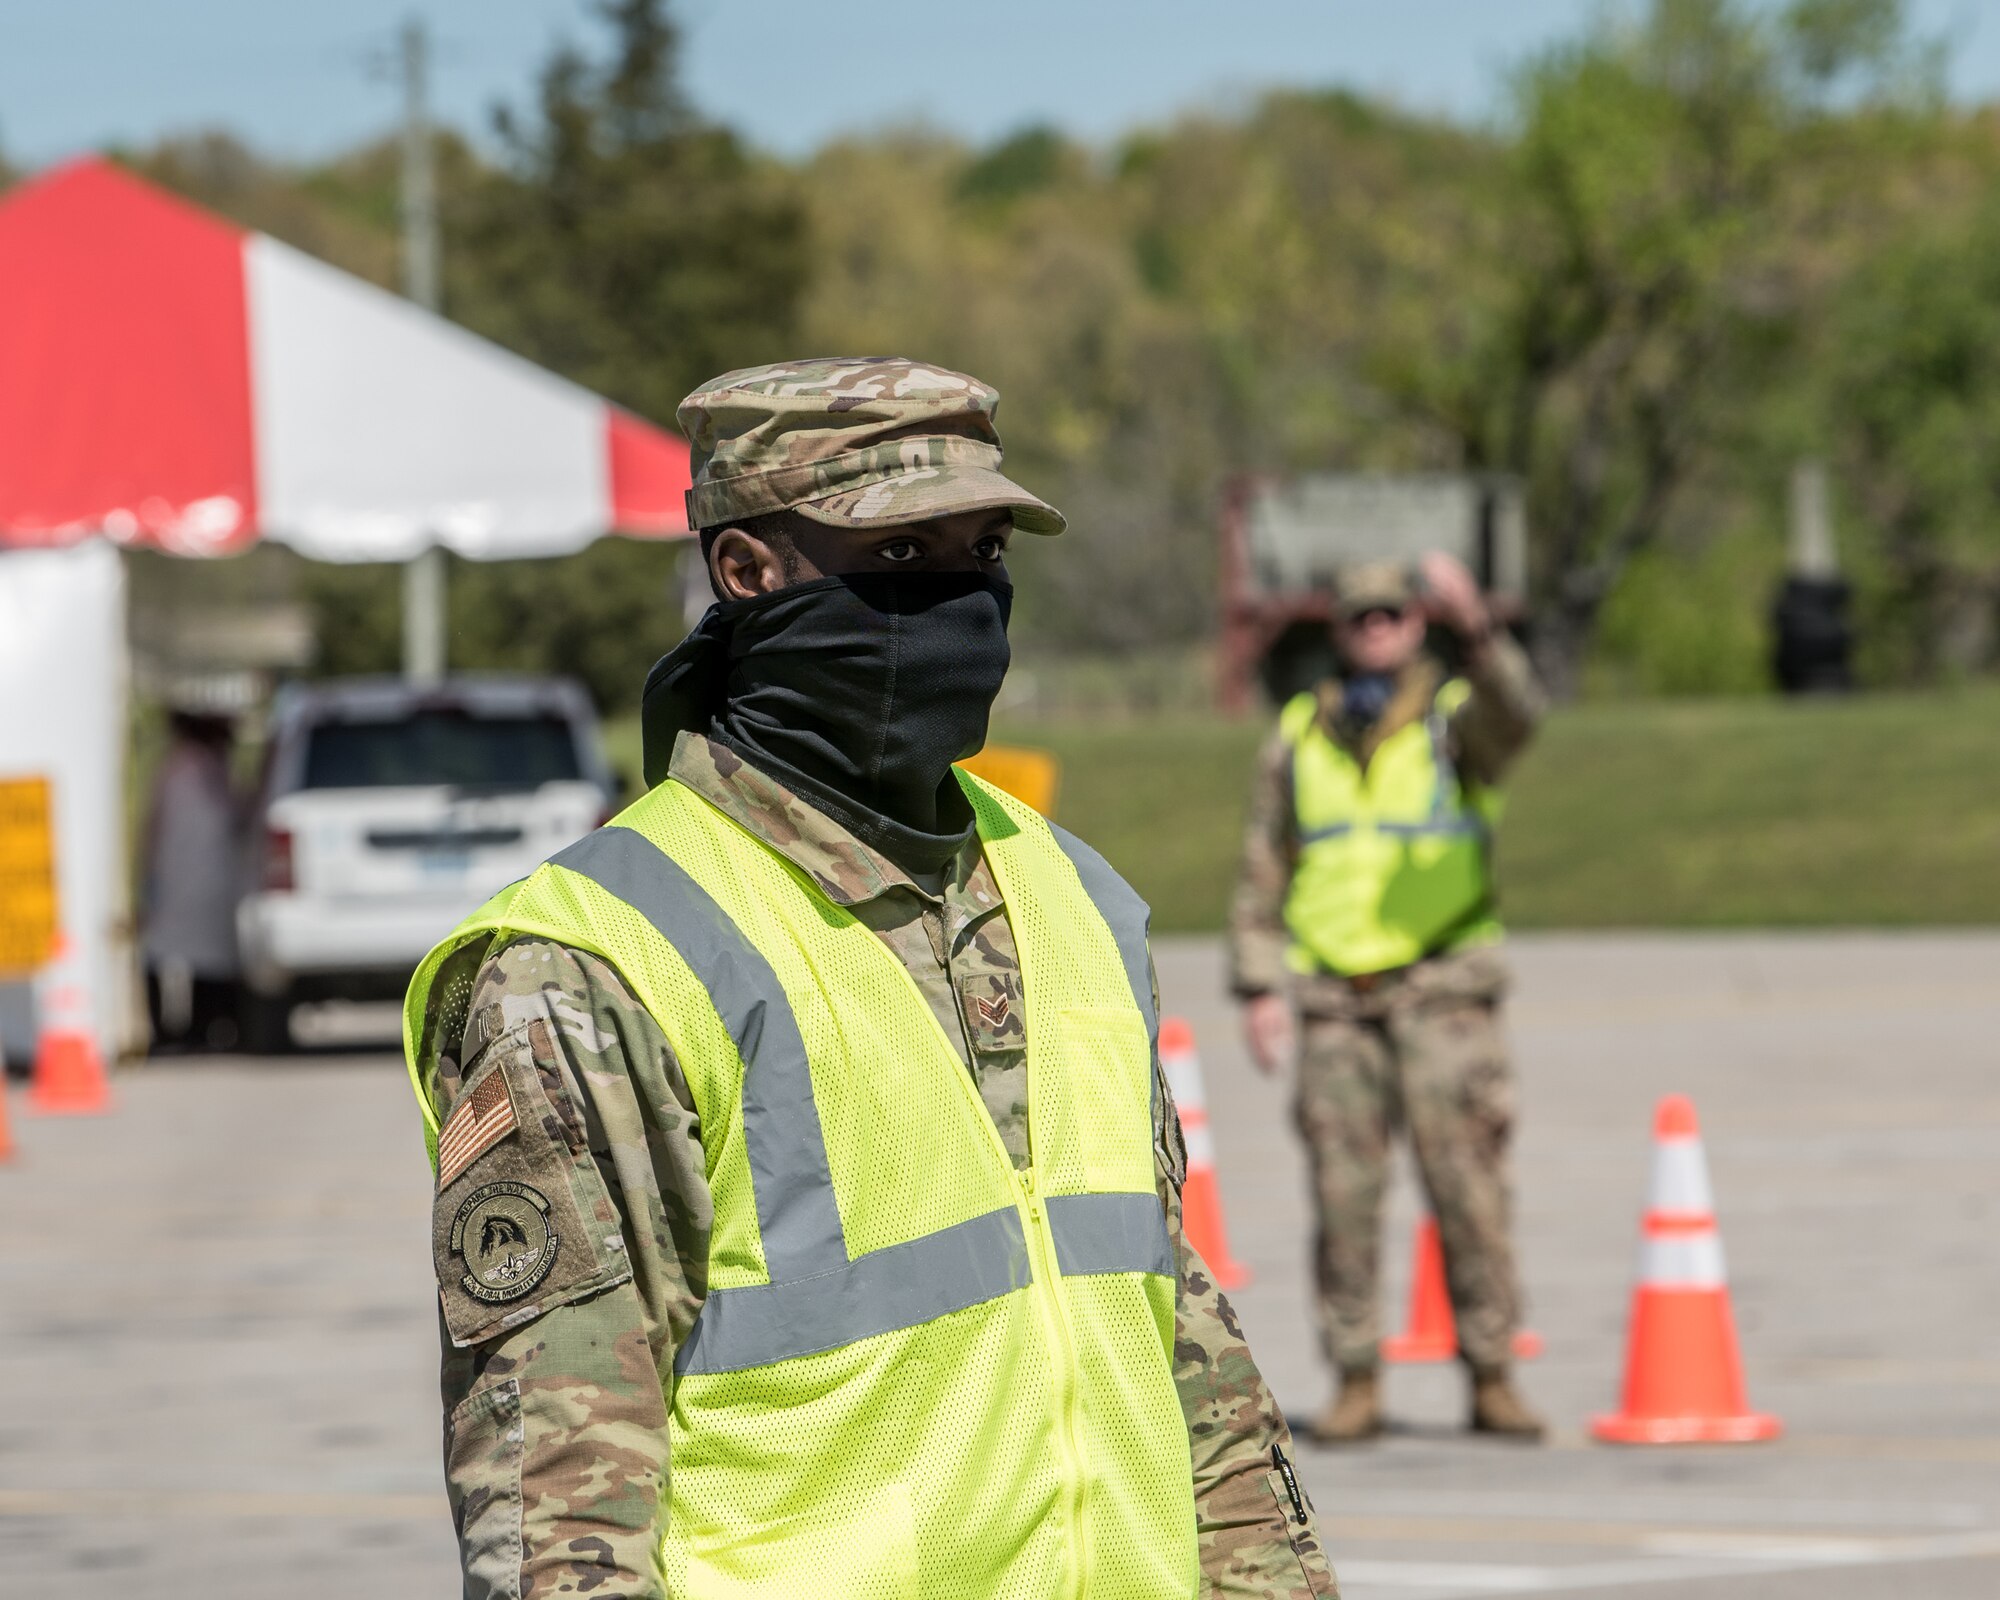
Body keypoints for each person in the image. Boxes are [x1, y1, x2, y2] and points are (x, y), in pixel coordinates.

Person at [404, 358, 1338, 1599]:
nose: (958, 604)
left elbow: (1174, 1339)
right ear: (747, 572)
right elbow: (559, 1486)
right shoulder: (589, 963)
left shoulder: (1070, 895)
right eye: (899, 561)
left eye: (984, 551)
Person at [1229, 555, 1545, 1445]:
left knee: (1470, 1189)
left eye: (1393, 615)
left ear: (1418, 624)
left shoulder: (1455, 721)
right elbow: (1264, 862)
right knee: (1343, 1199)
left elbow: (1520, 717)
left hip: (1441, 991)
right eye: (1361, 616)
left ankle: (1491, 1372)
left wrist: (1480, 626)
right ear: (1338, 629)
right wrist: (1259, 984)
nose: (1377, 630)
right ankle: (1356, 1373)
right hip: (1334, 998)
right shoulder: (1299, 733)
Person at [139, 708, 242, 1051]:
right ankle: (202, 1027)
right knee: (209, 959)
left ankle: (170, 1029)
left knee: (165, 954)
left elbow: (152, 825)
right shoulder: (211, 769)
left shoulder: (174, 767)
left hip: (176, 878)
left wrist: (146, 875)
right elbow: (238, 815)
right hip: (208, 880)